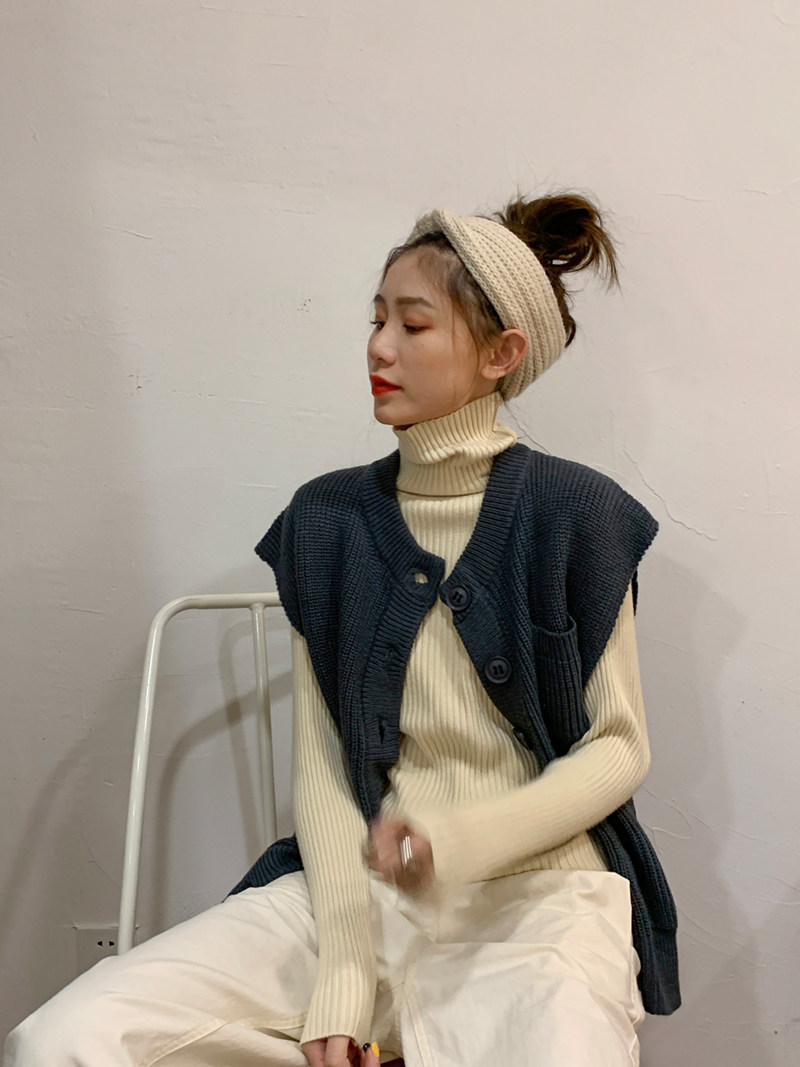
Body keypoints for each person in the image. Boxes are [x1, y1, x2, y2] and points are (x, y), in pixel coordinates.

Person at [5, 192, 679, 1067]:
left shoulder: (577, 514)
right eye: (376, 319)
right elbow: (324, 762)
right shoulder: (325, 523)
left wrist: (459, 841)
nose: (379, 346)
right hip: (357, 898)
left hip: (540, 906)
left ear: (500, 354)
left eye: (413, 324)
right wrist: (345, 973)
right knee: (64, 1039)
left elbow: (619, 747)